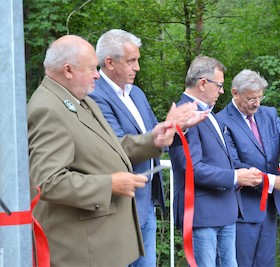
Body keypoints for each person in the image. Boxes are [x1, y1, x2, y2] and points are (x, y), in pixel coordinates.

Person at [27, 35, 204, 267]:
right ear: (68, 70)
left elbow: (112, 146)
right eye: (91, 68)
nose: (97, 74)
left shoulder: (81, 100)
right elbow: (47, 182)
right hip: (81, 252)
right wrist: (109, 184)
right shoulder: (47, 109)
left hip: (104, 243)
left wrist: (154, 139)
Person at [168, 56, 263, 267]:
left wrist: (244, 173)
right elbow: (192, 169)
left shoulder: (209, 113)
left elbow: (222, 160)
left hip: (224, 210)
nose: (222, 91)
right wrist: (236, 176)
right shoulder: (185, 114)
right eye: (219, 85)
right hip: (202, 214)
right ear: (203, 83)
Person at [89, 29, 165, 267]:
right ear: (109, 62)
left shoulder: (137, 94)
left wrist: (175, 129)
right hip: (118, 207)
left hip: (144, 203)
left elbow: (153, 131)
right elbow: (118, 148)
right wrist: (162, 135)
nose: (137, 68)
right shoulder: (94, 95)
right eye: (132, 61)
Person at [216, 69, 280, 267]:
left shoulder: (269, 114)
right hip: (241, 209)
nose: (257, 103)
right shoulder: (221, 121)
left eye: (260, 97)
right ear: (234, 93)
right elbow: (234, 164)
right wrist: (273, 182)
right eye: (251, 98)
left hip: (269, 209)